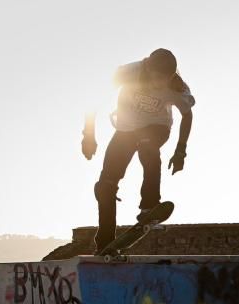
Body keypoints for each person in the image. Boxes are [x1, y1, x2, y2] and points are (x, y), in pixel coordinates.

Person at [81, 48, 195, 253]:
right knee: (104, 186)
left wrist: (181, 150)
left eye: (165, 79)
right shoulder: (127, 72)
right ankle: (106, 242)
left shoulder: (177, 87)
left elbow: (187, 115)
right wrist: (88, 134)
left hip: (157, 128)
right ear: (147, 68)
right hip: (124, 131)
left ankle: (149, 205)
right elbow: (94, 96)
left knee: (147, 146)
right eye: (156, 78)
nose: (159, 84)